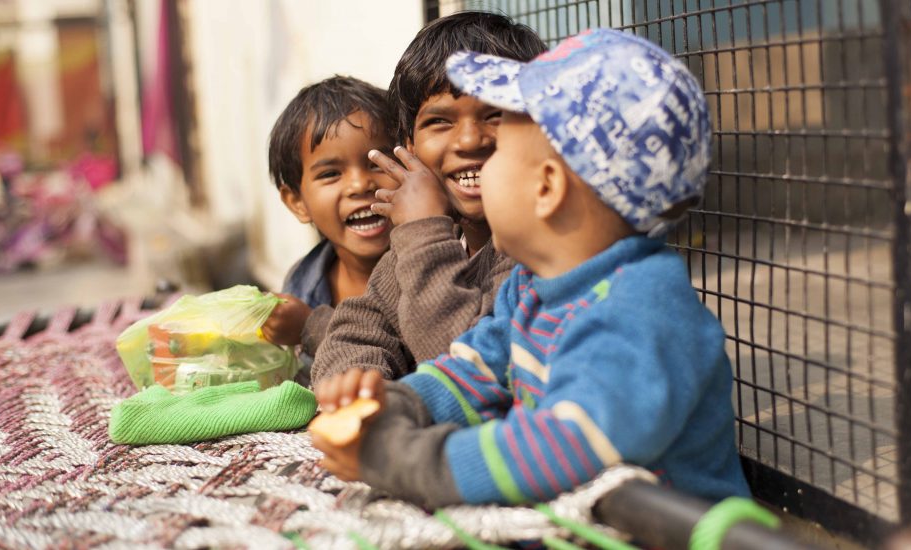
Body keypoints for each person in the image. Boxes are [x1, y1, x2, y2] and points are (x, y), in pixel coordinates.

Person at [311, 28, 751, 508]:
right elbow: (471, 371)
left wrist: (403, 460)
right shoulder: (534, 284)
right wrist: (393, 407)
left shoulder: (640, 313)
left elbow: (557, 448)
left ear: (547, 188)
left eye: (500, 151)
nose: (477, 148)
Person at [310, 12, 547, 383]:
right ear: (409, 148)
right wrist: (357, 386)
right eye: (440, 121)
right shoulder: (436, 238)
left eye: (495, 115)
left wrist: (423, 232)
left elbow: (470, 368)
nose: (470, 141)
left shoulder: (545, 250)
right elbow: (359, 330)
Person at [260, 76, 395, 363]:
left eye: (377, 163)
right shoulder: (304, 282)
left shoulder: (428, 267)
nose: (360, 185)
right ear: (298, 203)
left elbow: (409, 361)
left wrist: (311, 326)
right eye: (331, 174)